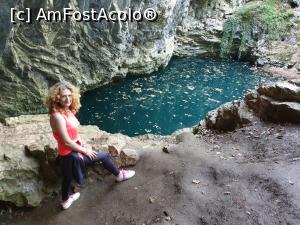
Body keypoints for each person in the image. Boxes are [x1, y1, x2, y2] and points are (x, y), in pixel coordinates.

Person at [46, 81, 135, 210]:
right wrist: (85, 151)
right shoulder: (57, 116)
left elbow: (74, 134)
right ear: (57, 97)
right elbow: (66, 141)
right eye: (64, 96)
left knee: (68, 177)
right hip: (69, 153)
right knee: (104, 156)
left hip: (70, 151)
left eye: (70, 96)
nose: (68, 99)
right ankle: (119, 175)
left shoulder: (67, 111)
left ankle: (65, 201)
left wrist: (84, 144)